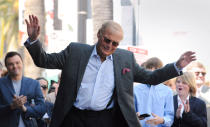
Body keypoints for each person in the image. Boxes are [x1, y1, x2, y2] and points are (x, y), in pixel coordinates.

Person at [24, 14, 196, 127]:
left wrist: (177, 66)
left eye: (115, 43)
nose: (109, 46)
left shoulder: (125, 58)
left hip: (105, 119)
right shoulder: (76, 52)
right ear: (99, 34)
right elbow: (43, 60)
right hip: (73, 117)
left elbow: (150, 77)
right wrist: (33, 40)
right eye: (107, 40)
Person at [0, 51, 45, 127]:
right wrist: (11, 106)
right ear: (6, 66)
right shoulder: (1, 84)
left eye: (17, 63)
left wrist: (25, 109)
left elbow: (42, 109)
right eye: (11, 64)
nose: (15, 66)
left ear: (22, 63)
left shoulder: (34, 84)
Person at [134, 57, 174, 127]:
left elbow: (170, 117)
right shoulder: (135, 89)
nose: (152, 71)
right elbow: (129, 113)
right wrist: (135, 116)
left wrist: (162, 120)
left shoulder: (167, 91)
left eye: (156, 69)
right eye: (149, 68)